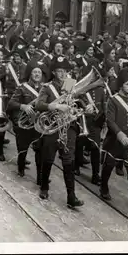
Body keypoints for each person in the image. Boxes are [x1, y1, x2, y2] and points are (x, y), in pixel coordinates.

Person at [35, 56, 84, 208]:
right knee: (48, 158)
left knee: (68, 160)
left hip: (68, 127)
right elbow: (39, 104)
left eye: (64, 71)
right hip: (52, 127)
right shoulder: (47, 87)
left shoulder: (70, 84)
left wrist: (85, 106)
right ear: (54, 72)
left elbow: (80, 100)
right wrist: (56, 106)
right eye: (59, 71)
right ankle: (44, 187)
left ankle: (71, 196)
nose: (62, 74)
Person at [100, 68, 128, 210]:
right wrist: (120, 134)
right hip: (115, 140)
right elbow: (110, 121)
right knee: (109, 165)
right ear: (121, 85)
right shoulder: (113, 101)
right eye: (127, 84)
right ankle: (103, 187)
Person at [7, 66, 44, 177]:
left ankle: (40, 176)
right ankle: (21, 168)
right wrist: (22, 106)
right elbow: (11, 103)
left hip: (38, 124)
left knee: (40, 151)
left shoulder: (45, 89)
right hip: (25, 125)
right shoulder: (22, 88)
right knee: (23, 149)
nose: (37, 74)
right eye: (35, 72)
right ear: (30, 75)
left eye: (39, 73)